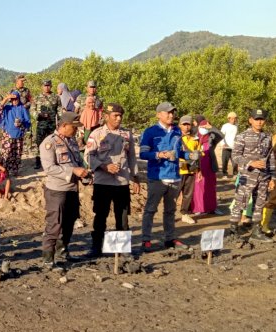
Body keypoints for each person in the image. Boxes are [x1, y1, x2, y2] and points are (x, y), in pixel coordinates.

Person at [83, 103, 139, 259]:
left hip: (121, 182)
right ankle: (96, 248)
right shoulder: (97, 134)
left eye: (120, 115)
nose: (119, 118)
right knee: (100, 215)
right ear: (106, 116)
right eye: (115, 115)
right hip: (103, 182)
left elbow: (132, 157)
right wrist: (104, 166)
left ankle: (123, 249)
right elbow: (88, 156)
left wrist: (135, 177)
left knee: (123, 216)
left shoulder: (126, 134)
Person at [39, 112, 88, 267]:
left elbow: (77, 162)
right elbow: (49, 168)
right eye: (74, 128)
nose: (76, 131)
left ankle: (63, 249)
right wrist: (72, 172)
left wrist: (84, 174)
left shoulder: (72, 141)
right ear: (64, 125)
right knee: (55, 223)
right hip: (56, 190)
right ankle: (48, 258)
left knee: (69, 221)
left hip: (72, 188)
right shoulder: (49, 143)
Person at [139, 102, 189, 252]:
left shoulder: (177, 132)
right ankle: (146, 239)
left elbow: (179, 153)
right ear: (159, 114)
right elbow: (143, 154)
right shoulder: (150, 132)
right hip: (157, 177)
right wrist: (160, 155)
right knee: (150, 210)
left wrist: (189, 155)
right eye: (168, 112)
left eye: (173, 112)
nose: (171, 115)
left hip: (174, 176)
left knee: (170, 210)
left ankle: (170, 238)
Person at [228, 109, 276, 242]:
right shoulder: (242, 136)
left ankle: (256, 230)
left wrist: (273, 177)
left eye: (261, 119)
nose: (259, 122)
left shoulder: (267, 137)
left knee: (259, 203)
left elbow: (271, 157)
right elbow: (235, 156)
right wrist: (251, 163)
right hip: (247, 176)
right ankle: (233, 230)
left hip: (263, 177)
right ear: (250, 120)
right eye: (256, 119)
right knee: (240, 202)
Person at [192, 118, 224, 215]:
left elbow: (222, 136)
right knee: (198, 187)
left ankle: (212, 208)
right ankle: (199, 208)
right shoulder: (195, 136)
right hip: (198, 165)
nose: (204, 128)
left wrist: (212, 128)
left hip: (210, 165)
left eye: (206, 126)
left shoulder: (212, 137)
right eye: (202, 126)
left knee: (210, 187)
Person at [30, 80, 62, 169]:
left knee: (52, 142)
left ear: (51, 86)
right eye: (45, 86)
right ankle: (38, 161)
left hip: (52, 125)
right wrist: (38, 115)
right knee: (39, 143)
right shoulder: (37, 97)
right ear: (42, 87)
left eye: (48, 85)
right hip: (41, 124)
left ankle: (51, 161)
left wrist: (60, 121)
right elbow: (32, 110)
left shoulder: (56, 97)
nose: (46, 87)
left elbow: (59, 110)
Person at [0, 91, 31, 176]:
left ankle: (15, 170)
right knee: (6, 153)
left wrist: (22, 124)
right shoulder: (7, 108)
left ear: (19, 99)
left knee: (17, 153)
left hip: (19, 134)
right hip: (7, 134)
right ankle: (5, 170)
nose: (14, 101)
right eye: (12, 99)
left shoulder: (22, 108)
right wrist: (6, 98)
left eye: (16, 99)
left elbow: (28, 121)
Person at [176, 115, 200, 224]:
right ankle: (169, 214)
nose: (186, 127)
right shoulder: (175, 138)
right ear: (179, 125)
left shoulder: (195, 138)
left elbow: (198, 153)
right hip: (178, 170)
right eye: (184, 124)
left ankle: (184, 214)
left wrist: (199, 169)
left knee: (188, 194)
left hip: (191, 169)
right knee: (174, 194)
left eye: (188, 124)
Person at [220, 112, 239, 179]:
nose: (234, 120)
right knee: (225, 161)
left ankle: (235, 174)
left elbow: (237, 136)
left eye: (235, 118)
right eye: (232, 118)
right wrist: (223, 143)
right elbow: (221, 135)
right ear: (229, 119)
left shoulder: (236, 126)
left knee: (235, 162)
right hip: (226, 146)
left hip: (234, 147)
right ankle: (224, 174)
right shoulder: (225, 126)